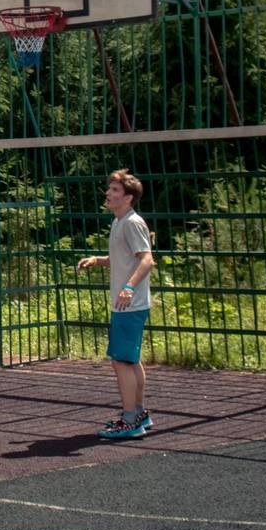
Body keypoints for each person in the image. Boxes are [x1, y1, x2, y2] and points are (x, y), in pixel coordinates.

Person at [77, 170, 156, 440]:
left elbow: (146, 259)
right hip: (128, 303)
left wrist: (128, 287)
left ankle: (130, 418)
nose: (108, 194)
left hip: (129, 304)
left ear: (128, 197)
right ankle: (139, 412)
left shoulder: (132, 223)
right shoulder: (119, 222)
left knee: (120, 361)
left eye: (114, 190)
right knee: (130, 360)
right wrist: (98, 260)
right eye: (109, 189)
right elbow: (124, 258)